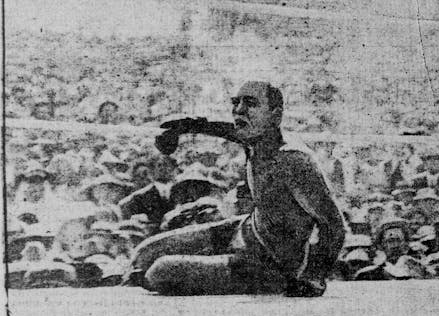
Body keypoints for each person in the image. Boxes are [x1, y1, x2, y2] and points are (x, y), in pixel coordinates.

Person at [137, 81, 346, 296]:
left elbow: (334, 225)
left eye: (250, 103)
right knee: (144, 254)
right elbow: (228, 130)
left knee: (160, 271)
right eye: (236, 103)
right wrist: (188, 126)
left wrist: (313, 277)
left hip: (269, 264)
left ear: (275, 116)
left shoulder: (293, 160)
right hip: (247, 229)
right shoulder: (255, 137)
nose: (239, 110)